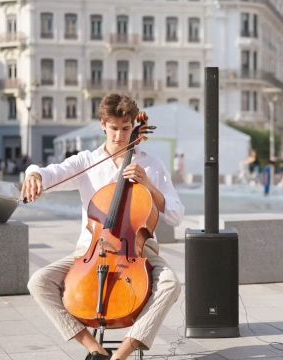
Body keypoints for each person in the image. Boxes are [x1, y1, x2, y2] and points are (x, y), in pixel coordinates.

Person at [21, 94, 184, 360]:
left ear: (134, 126)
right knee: (38, 282)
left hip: (138, 252)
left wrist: (149, 186)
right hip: (90, 251)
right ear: (102, 125)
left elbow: (176, 215)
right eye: (113, 128)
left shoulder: (150, 163)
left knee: (171, 285)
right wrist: (34, 174)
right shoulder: (86, 161)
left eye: (125, 128)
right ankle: (94, 349)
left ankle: (121, 354)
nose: (119, 136)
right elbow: (51, 173)